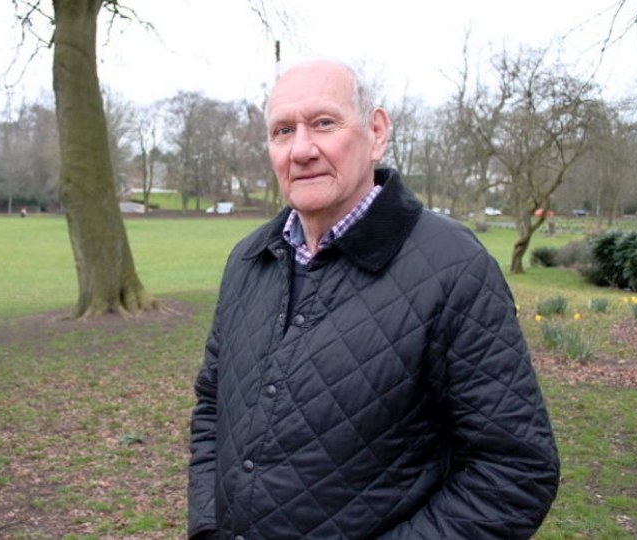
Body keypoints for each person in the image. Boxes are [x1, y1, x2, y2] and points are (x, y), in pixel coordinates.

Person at [187, 57, 559, 540]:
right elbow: (213, 410)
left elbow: (514, 471)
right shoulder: (250, 260)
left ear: (376, 132)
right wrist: (208, 526)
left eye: (324, 123)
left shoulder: (452, 267)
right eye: (283, 131)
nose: (302, 149)